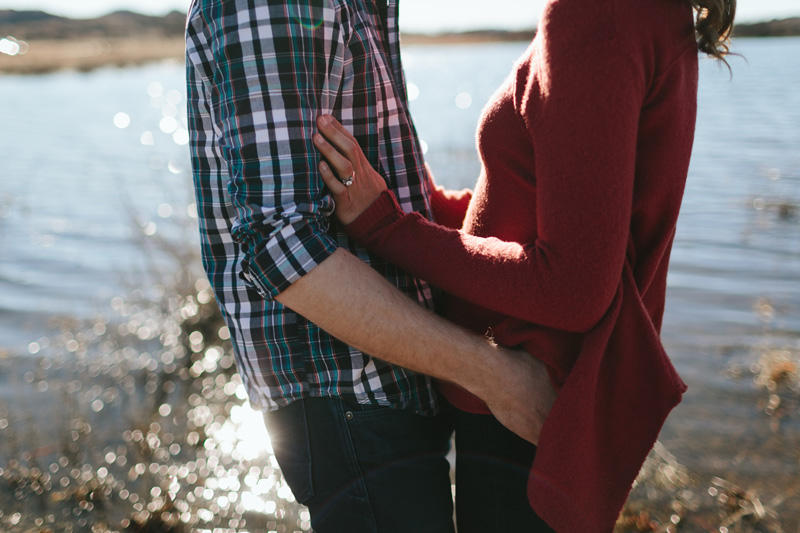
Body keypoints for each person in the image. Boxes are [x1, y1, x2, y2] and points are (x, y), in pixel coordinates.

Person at [312, 0, 736, 530]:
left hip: (524, 403)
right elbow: (561, 215)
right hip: (552, 400)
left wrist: (388, 229)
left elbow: (573, 289)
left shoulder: (597, 15)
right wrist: (428, 209)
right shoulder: (648, 12)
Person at [185, 0, 556, 532]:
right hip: (347, 396)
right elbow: (283, 248)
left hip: (398, 374)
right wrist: (497, 376)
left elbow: (391, 193)